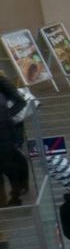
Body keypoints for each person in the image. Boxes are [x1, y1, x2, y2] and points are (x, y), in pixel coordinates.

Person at [0, 71, 31, 206]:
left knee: (8, 164)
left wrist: (6, 118)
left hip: (5, 132)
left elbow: (20, 101)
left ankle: (16, 193)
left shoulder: (1, 81)